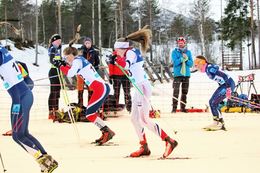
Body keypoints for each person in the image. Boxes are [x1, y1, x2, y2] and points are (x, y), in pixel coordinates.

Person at [110, 26, 178, 158]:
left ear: (121, 48)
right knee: (134, 119)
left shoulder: (129, 53)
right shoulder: (130, 52)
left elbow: (126, 65)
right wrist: (117, 61)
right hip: (139, 88)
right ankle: (144, 146)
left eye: (116, 50)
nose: (115, 52)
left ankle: (169, 141)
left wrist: (117, 61)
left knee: (144, 119)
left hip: (142, 88)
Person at [0, 46, 58, 172]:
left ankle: (43, 161)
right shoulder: (2, 51)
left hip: (20, 99)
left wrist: (16, 108)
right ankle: (48, 160)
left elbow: (16, 89)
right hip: (22, 97)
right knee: (23, 134)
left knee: (17, 136)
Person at [53, 46, 115, 145]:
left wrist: (60, 66)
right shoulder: (79, 60)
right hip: (100, 88)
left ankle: (107, 132)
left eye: (66, 57)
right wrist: (63, 64)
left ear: (71, 55)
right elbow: (72, 70)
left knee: (89, 114)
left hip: (100, 88)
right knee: (90, 113)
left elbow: (70, 73)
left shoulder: (77, 61)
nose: (66, 59)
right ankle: (106, 132)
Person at [194, 55, 235, 131]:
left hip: (228, 84)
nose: (196, 66)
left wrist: (228, 89)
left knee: (213, 103)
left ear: (202, 62)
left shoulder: (210, 68)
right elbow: (220, 79)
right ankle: (217, 122)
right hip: (224, 85)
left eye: (197, 64)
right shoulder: (207, 69)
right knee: (212, 102)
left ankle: (219, 123)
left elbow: (224, 76)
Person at [171, 37, 193, 113]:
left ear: (184, 43)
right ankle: (174, 108)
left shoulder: (188, 52)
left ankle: (183, 108)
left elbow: (191, 64)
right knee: (176, 91)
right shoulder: (174, 52)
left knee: (184, 92)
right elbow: (175, 63)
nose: (180, 44)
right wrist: (181, 59)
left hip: (186, 74)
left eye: (182, 43)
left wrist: (186, 59)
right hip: (177, 75)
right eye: (179, 43)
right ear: (178, 43)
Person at [77, 37, 100, 108]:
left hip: (90, 73)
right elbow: (77, 60)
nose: (87, 44)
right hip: (81, 72)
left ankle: (90, 104)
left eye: (89, 43)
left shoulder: (94, 52)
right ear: (84, 43)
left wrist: (95, 68)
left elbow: (97, 62)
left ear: (91, 43)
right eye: (86, 43)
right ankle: (80, 105)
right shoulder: (80, 51)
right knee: (80, 88)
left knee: (91, 88)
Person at [48, 34, 62, 120]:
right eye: (57, 41)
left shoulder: (57, 49)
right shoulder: (53, 48)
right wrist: (58, 64)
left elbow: (58, 60)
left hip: (58, 71)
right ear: (53, 41)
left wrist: (62, 63)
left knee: (57, 91)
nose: (59, 42)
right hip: (53, 71)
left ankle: (56, 109)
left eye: (60, 41)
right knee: (54, 91)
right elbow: (52, 60)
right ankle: (51, 111)